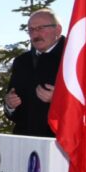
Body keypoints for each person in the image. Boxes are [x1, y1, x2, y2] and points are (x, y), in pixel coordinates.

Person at [5, 8, 66, 138]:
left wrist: (59, 99)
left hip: (61, 145)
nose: (35, 34)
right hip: (23, 142)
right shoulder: (22, 61)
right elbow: (12, 108)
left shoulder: (73, 59)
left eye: (40, 28)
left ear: (58, 29)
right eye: (31, 30)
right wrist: (10, 105)